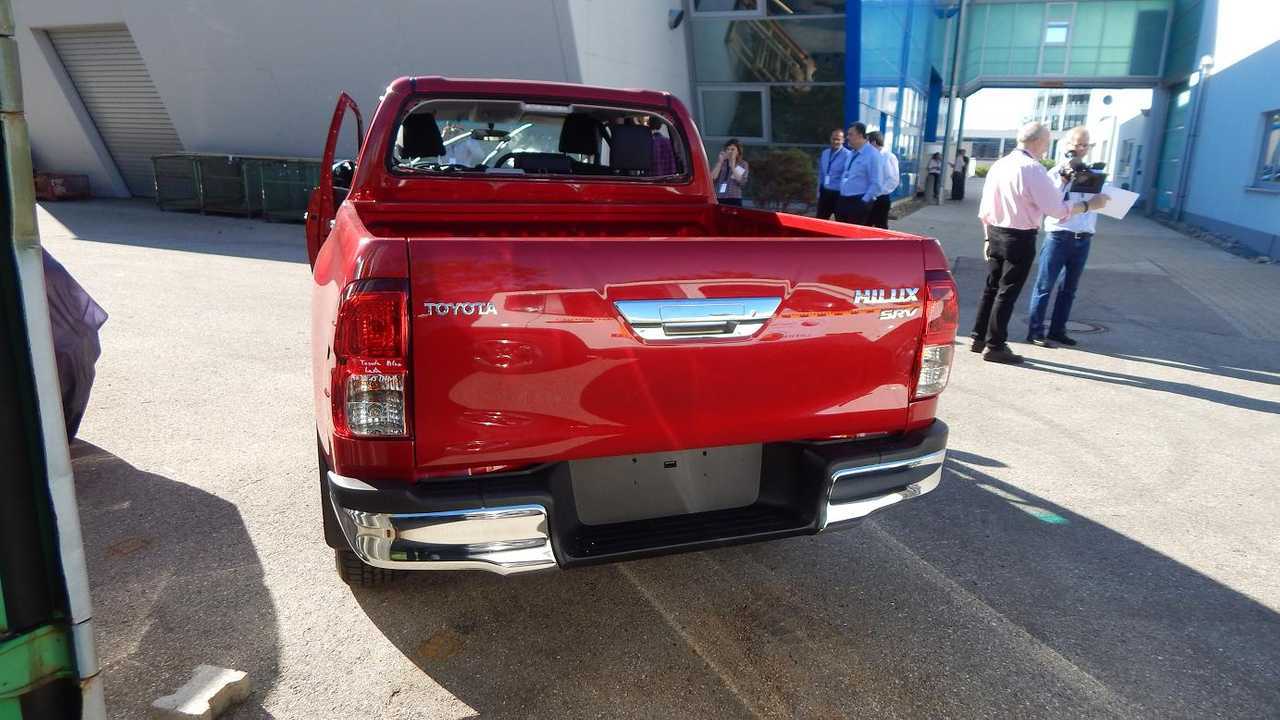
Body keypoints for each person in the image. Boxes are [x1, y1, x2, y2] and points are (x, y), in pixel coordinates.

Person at [970, 121, 1110, 364]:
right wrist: (1089, 205)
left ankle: (978, 337)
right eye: (1046, 142)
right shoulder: (1032, 169)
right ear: (1038, 142)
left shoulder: (1000, 164)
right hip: (1019, 236)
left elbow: (985, 207)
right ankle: (996, 345)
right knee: (1007, 292)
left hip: (994, 230)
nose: (1047, 148)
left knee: (992, 287)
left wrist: (986, 236)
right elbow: (1056, 209)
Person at [1026, 126, 1100, 347]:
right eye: (1077, 144)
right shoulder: (1054, 173)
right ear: (1067, 145)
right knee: (1044, 286)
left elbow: (1103, 202)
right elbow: (1050, 203)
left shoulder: (1094, 174)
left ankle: (1058, 330)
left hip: (1084, 237)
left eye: (1085, 145)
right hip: (1059, 236)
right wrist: (1064, 180)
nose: (1081, 149)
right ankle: (1035, 331)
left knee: (1069, 289)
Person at [835, 122, 881, 225]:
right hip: (843, 200)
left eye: (850, 134)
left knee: (853, 239)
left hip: (858, 202)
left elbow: (876, 183)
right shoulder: (851, 153)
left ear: (860, 135)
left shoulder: (872, 155)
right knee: (840, 235)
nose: (847, 137)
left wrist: (864, 202)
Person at [815, 128, 850, 220]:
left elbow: (847, 177)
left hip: (838, 194)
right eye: (833, 138)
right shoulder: (825, 153)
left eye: (838, 139)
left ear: (843, 140)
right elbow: (821, 173)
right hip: (824, 192)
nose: (835, 141)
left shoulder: (848, 155)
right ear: (830, 138)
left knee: (840, 222)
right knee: (820, 221)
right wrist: (818, 191)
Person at [866, 131, 898, 229]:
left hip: (881, 198)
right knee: (866, 225)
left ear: (874, 142)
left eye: (867, 142)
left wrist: (877, 192)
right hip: (869, 196)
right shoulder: (870, 156)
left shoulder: (888, 157)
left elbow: (893, 180)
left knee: (881, 226)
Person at [713, 139, 749, 206]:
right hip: (720, 197)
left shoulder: (742, 164)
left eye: (732, 149)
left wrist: (732, 165)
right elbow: (713, 178)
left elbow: (741, 181)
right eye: (728, 149)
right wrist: (720, 162)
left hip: (734, 197)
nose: (730, 151)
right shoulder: (722, 163)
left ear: (738, 152)